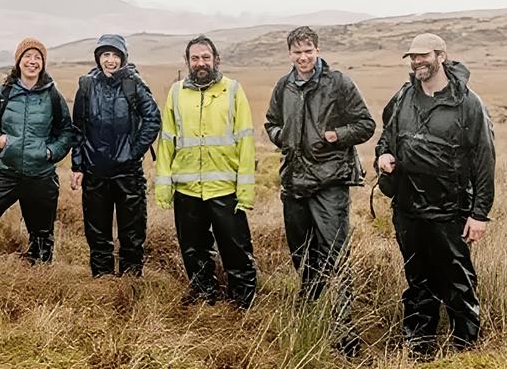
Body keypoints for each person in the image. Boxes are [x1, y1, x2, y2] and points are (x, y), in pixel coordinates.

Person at [375, 33, 495, 357]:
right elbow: (386, 139)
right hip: (408, 210)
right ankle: (419, 350)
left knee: (457, 282)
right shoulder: (403, 97)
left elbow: (485, 160)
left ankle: (466, 351)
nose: (416, 62)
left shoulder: (467, 103)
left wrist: (480, 214)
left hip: (450, 211)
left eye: (422, 55)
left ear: (441, 56)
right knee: (417, 282)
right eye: (412, 57)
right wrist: (383, 157)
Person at [264, 26, 373, 355]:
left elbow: (365, 124)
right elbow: (271, 122)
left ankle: (344, 331)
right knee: (302, 254)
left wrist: (335, 135)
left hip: (330, 182)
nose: (303, 57)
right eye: (297, 52)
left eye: (308, 50)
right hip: (295, 182)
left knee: (336, 256)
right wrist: (281, 136)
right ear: (289, 54)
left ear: (317, 49)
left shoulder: (338, 83)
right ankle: (310, 317)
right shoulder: (284, 86)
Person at [155, 35, 257, 307]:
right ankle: (203, 295)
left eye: (206, 57)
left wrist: (245, 190)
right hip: (187, 188)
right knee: (193, 249)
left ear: (216, 59)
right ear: (187, 62)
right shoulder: (176, 93)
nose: (201, 63)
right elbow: (167, 141)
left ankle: (242, 301)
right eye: (195, 58)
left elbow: (246, 140)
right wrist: (164, 185)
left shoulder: (233, 90)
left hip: (225, 187)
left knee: (236, 248)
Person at [0, 37, 74, 263]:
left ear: (43, 63)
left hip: (40, 176)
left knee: (42, 238)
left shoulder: (52, 94)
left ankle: (39, 280)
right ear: (18, 61)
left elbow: (67, 131)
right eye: (27, 56)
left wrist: (50, 152)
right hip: (5, 173)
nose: (32, 62)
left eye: (37, 58)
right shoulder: (4, 92)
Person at [70, 34, 161, 277]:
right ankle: (103, 285)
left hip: (127, 174)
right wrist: (77, 166)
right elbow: (77, 129)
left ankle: (130, 286)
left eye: (115, 55)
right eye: (105, 55)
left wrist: (133, 151)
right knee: (98, 237)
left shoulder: (134, 84)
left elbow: (153, 119)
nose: (110, 60)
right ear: (98, 58)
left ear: (123, 58)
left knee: (132, 237)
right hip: (95, 173)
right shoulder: (87, 86)